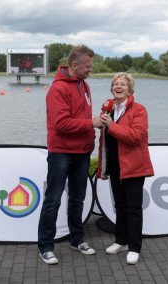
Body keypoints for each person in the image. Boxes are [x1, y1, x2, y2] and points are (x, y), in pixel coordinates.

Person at [38, 44, 103, 265]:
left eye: (90, 66)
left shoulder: (84, 85)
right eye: (87, 66)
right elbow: (60, 124)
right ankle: (45, 246)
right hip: (61, 153)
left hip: (83, 152)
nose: (90, 69)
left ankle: (77, 240)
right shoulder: (58, 89)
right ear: (74, 65)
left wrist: (94, 127)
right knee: (53, 200)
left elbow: (79, 117)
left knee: (78, 199)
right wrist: (90, 123)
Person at [96, 72, 154, 264]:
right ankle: (120, 240)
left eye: (122, 84)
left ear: (130, 89)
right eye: (115, 84)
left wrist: (111, 126)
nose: (118, 86)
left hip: (134, 166)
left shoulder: (139, 110)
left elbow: (136, 136)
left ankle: (134, 247)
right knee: (119, 205)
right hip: (115, 166)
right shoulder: (109, 109)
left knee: (134, 208)